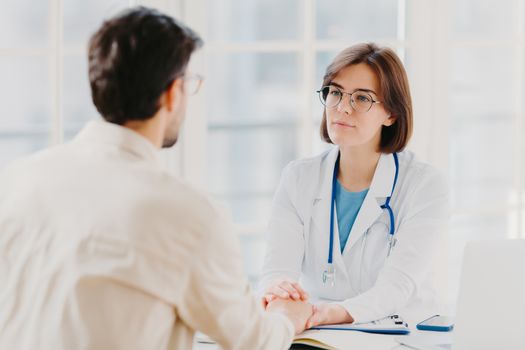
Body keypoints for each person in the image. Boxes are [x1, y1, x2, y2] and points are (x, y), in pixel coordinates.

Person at [0, 7, 312, 350]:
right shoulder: (188, 214)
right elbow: (252, 341)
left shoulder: (17, 180)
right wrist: (286, 318)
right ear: (172, 93)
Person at [259, 43, 449, 328]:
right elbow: (277, 271)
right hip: (320, 334)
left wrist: (321, 314)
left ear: (391, 114)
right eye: (335, 93)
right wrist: (280, 295)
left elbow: (397, 287)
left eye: (362, 99)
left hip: (401, 335)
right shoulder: (298, 178)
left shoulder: (424, 185)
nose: (342, 108)